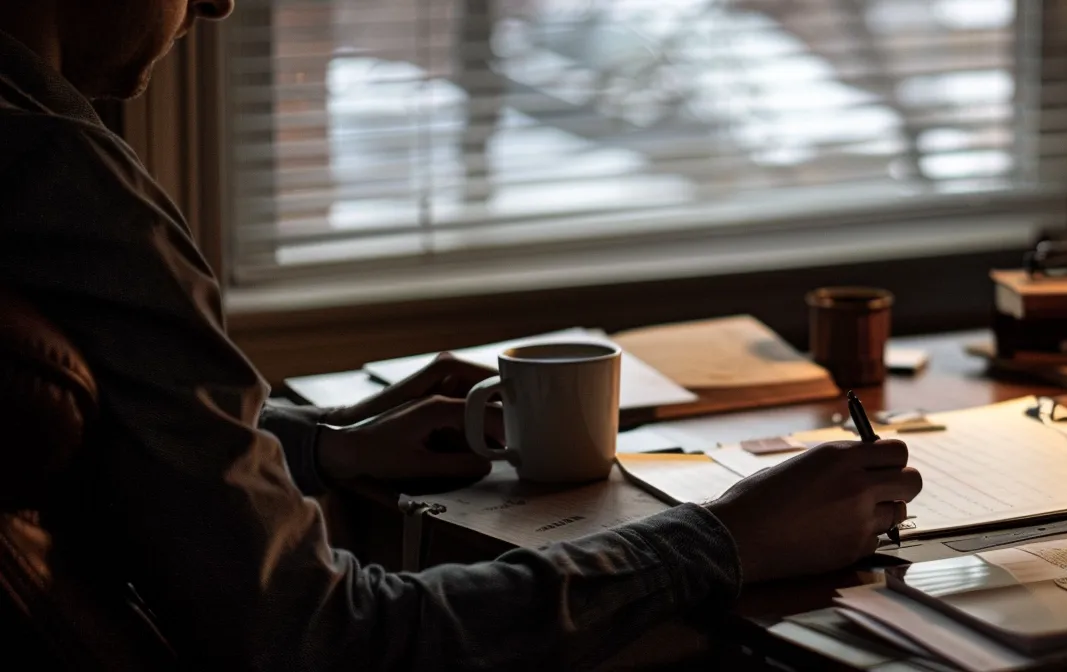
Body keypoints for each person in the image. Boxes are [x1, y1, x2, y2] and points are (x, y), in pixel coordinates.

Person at [0, 0, 922, 668]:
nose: (217, 2)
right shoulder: (63, 181)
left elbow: (111, 440)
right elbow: (324, 638)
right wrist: (722, 540)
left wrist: (327, 445)